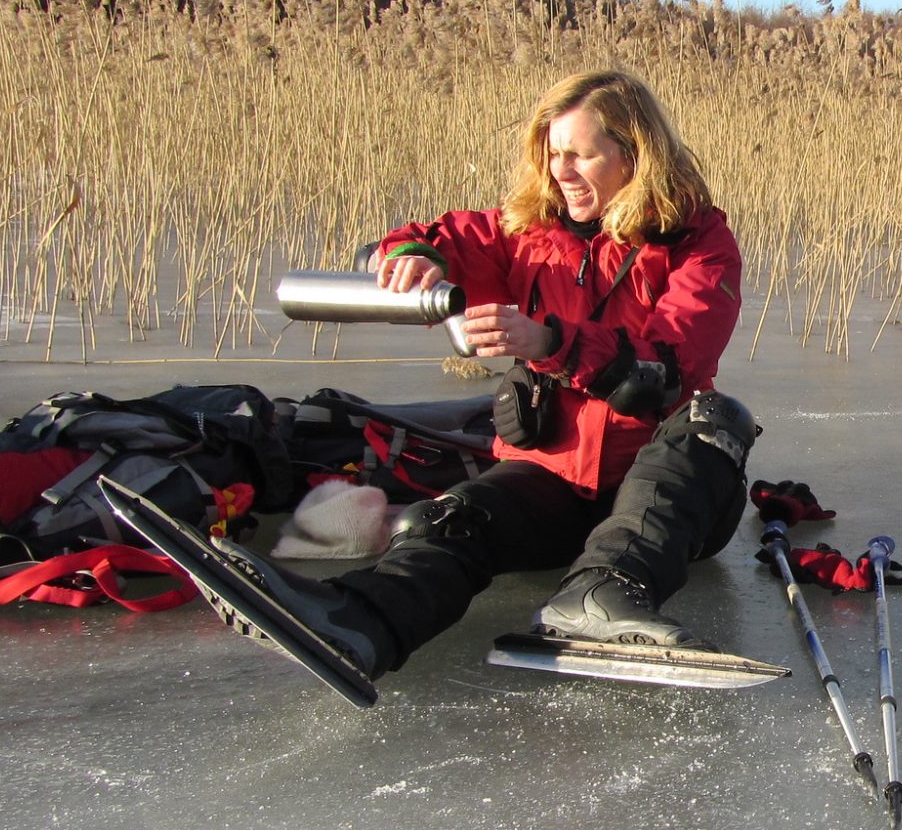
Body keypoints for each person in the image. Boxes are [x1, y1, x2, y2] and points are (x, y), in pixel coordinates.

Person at [207, 68, 757, 681]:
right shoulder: (526, 233)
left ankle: (601, 597)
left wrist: (551, 342)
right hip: (555, 483)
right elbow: (423, 241)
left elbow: (664, 371)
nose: (561, 172)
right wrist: (408, 260)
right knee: (454, 519)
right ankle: (362, 620)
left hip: (669, 497)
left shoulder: (700, 242)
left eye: (581, 155)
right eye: (553, 154)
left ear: (635, 155)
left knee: (714, 419)